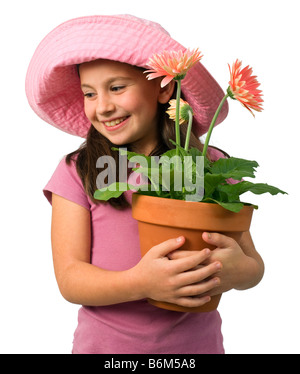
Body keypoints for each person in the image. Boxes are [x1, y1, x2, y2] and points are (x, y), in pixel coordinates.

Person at [26, 15, 264, 354]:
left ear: (164, 87)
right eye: (89, 93)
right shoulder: (78, 172)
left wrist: (238, 271)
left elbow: (253, 266)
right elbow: (70, 279)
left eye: (117, 87)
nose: (103, 107)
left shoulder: (209, 165)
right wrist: (143, 282)